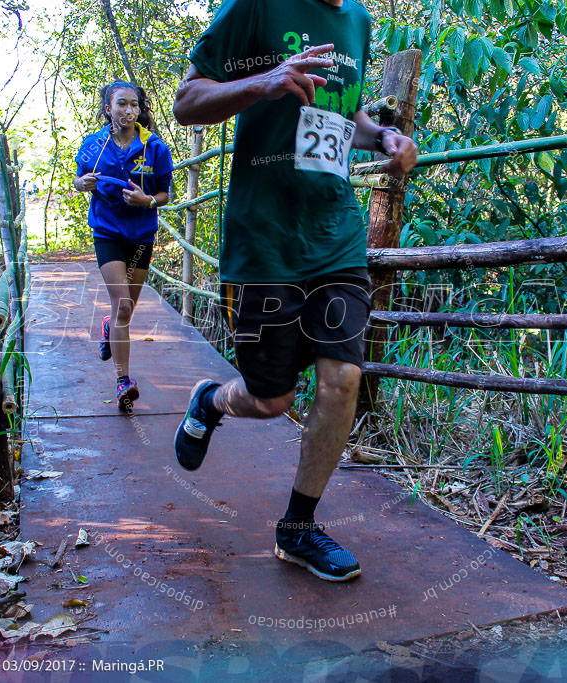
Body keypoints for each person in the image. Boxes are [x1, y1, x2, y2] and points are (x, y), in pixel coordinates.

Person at [172, 0, 418, 582]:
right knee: (271, 399)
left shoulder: (356, 21)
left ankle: (298, 528)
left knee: (343, 378)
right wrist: (262, 82)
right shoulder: (256, 6)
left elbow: (343, 113)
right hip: (266, 238)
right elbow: (187, 102)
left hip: (335, 235)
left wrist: (381, 136)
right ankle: (211, 401)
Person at [74, 81, 173, 413]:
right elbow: (79, 178)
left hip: (142, 233)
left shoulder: (154, 147)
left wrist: (147, 201)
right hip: (108, 232)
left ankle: (108, 326)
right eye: (121, 104)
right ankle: (123, 380)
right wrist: (81, 183)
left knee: (124, 308)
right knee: (124, 308)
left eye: (134, 105)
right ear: (108, 109)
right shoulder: (94, 145)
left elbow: (165, 194)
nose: (129, 110)